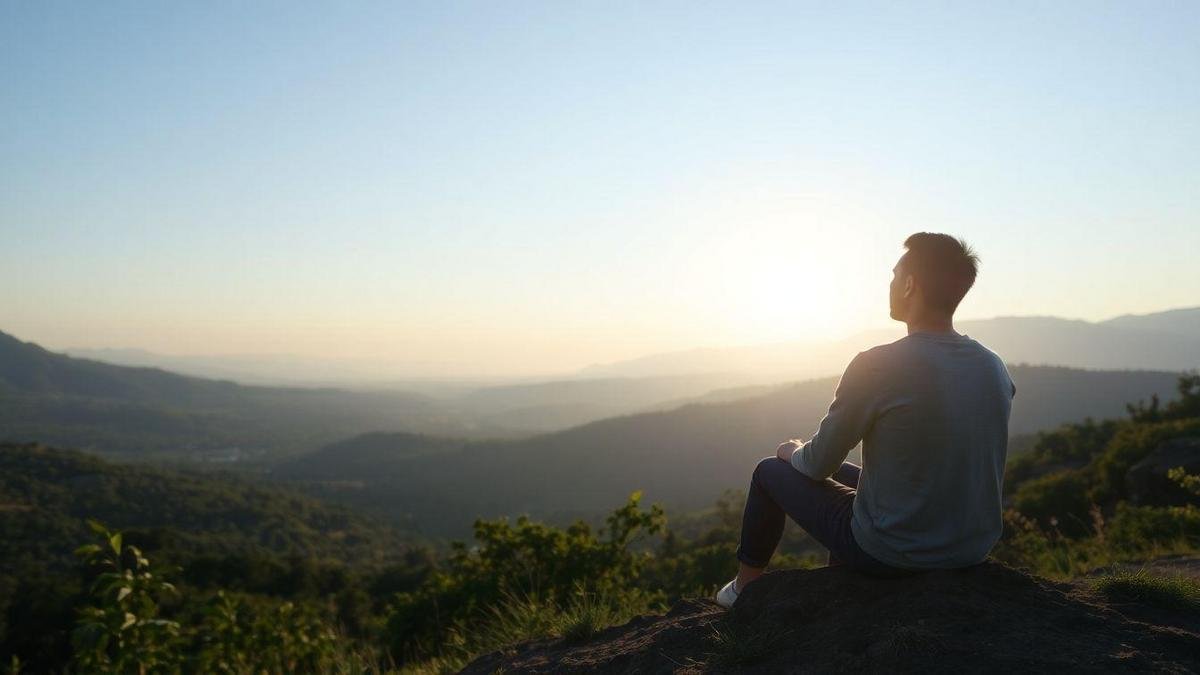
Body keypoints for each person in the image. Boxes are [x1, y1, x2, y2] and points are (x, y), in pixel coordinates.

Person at [715, 232, 1016, 609]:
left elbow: (816, 463)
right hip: (971, 548)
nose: (889, 283)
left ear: (909, 285)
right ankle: (841, 582)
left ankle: (743, 590)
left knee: (768, 471)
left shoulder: (878, 364)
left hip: (894, 553)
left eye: (894, 275)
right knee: (846, 475)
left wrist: (791, 451)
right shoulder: (993, 366)